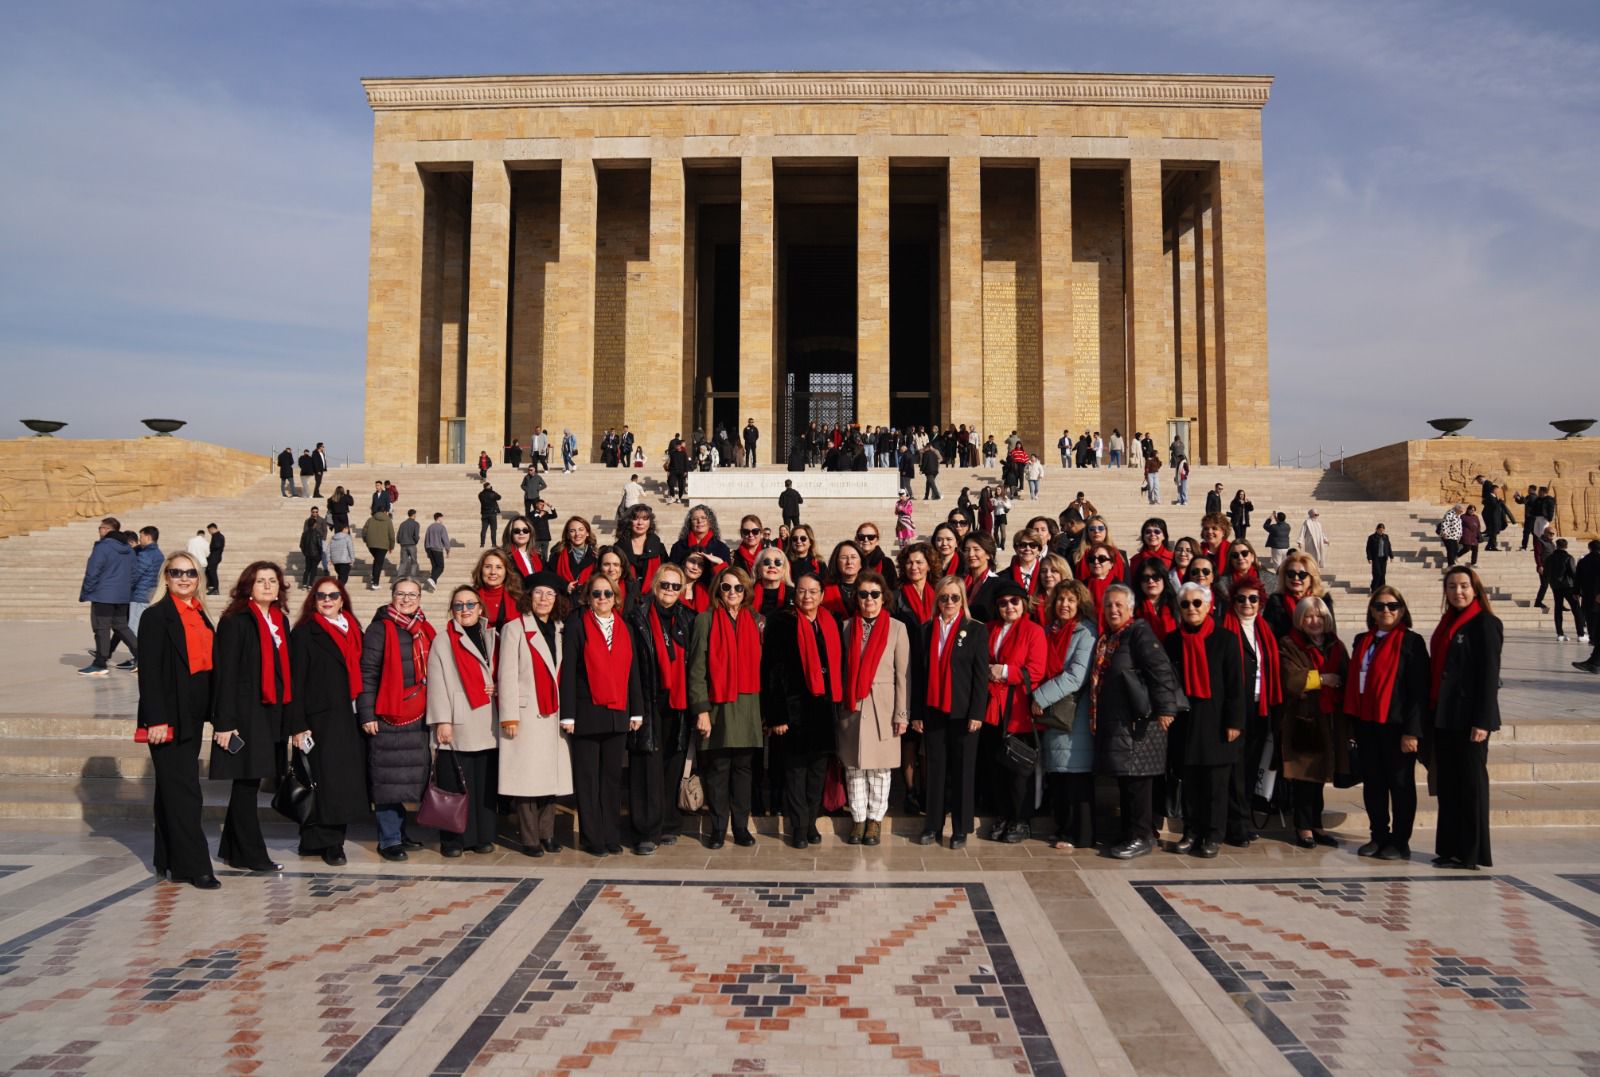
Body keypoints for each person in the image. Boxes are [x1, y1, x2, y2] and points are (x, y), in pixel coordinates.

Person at [136, 550, 219, 889]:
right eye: (176, 573)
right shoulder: (156, 617)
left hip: (193, 717)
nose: (184, 578)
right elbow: (150, 675)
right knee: (186, 792)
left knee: (171, 789)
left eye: (190, 573)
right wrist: (155, 719)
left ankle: (166, 857)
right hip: (167, 719)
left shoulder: (201, 615)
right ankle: (195, 865)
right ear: (165, 577)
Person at [209, 561, 291, 872]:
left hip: (270, 713)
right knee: (246, 786)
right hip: (245, 715)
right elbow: (225, 674)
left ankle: (232, 848)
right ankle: (252, 854)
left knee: (249, 784)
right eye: (261, 581)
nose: (268, 586)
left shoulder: (279, 620)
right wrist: (225, 722)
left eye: (272, 580)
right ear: (249, 586)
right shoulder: (236, 620)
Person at [1090, 584, 1180, 859]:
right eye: (1109, 606)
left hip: (1140, 724)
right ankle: (1130, 833)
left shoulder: (1138, 632)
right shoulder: (1111, 637)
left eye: (1119, 605)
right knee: (1127, 782)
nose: (1113, 610)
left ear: (1130, 608)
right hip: (1121, 722)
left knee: (1138, 783)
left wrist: (1166, 709)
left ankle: (1141, 836)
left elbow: (1161, 669)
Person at [285, 576, 369, 866]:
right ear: (314, 600)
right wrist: (297, 725)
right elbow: (295, 683)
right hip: (320, 718)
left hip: (350, 715)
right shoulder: (306, 633)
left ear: (342, 598)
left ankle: (328, 839)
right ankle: (324, 843)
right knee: (321, 780)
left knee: (341, 782)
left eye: (333, 595)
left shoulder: (354, 629)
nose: (328, 600)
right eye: (321, 596)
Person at [1343, 586, 1428, 861]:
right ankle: (1378, 834)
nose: (1386, 611)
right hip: (1368, 724)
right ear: (1371, 611)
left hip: (1398, 726)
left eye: (1392, 606)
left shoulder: (1412, 642)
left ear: (1402, 610)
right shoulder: (1362, 640)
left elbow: (1419, 691)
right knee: (1374, 784)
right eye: (1379, 606)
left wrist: (1412, 731)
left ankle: (1400, 841)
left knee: (1401, 785)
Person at [1425, 566, 1500, 869]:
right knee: (1448, 784)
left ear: (1475, 589)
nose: (1458, 592)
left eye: (1464, 586)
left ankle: (1471, 852)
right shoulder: (1448, 623)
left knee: (1471, 786)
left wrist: (1482, 721)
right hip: (1444, 716)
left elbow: (1488, 676)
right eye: (1452, 587)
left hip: (1470, 719)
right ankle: (1449, 847)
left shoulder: (1485, 623)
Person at [1163, 581, 1246, 858]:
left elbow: (1236, 685)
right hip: (1186, 722)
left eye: (1197, 603)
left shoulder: (1225, 639)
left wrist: (1234, 722)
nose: (1191, 608)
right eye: (1185, 604)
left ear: (1209, 606)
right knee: (1190, 783)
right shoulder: (1172, 640)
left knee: (1216, 786)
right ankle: (1191, 831)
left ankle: (1213, 834)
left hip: (1216, 721)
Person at [688, 565, 765, 849]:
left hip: (748, 704)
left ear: (745, 591)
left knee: (743, 769)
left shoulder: (756, 620)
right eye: (726, 587)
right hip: (717, 705)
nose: (732, 592)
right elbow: (696, 670)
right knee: (718, 769)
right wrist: (702, 710)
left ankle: (741, 826)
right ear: (718, 589)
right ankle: (719, 827)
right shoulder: (705, 620)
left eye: (738, 587)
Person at [360, 577, 436, 862]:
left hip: (418, 715)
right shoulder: (380, 629)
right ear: (392, 596)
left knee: (407, 778)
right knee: (387, 779)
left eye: (412, 594)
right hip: (388, 715)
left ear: (420, 597)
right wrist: (366, 713)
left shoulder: (425, 629)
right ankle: (388, 839)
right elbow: (367, 673)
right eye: (400, 594)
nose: (406, 599)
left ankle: (400, 832)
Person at [497, 572, 572, 856]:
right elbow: (507, 674)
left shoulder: (561, 628)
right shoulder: (515, 628)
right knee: (527, 780)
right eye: (539, 593)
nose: (544, 599)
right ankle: (530, 838)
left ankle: (547, 833)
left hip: (553, 713)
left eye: (550, 594)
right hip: (527, 714)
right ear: (530, 597)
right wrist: (509, 716)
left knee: (549, 779)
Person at [764, 572, 842, 848]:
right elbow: (771, 671)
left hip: (823, 709)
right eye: (801, 591)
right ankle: (798, 826)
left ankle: (811, 822)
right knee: (796, 772)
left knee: (817, 772)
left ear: (822, 595)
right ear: (794, 594)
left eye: (813, 591)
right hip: (793, 710)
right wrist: (777, 715)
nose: (807, 596)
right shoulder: (782, 621)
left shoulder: (830, 622)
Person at [425, 585, 501, 856]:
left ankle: (482, 836)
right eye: (459, 605)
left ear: (480, 608)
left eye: (470, 604)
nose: (465, 610)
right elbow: (436, 682)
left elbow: (503, 672)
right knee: (455, 784)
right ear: (452, 610)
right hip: (457, 720)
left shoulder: (493, 635)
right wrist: (442, 720)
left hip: (487, 721)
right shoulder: (443, 640)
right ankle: (453, 840)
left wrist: (497, 685)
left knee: (483, 783)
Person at [625, 562, 696, 854]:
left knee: (672, 762)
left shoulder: (688, 618)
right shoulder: (637, 616)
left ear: (682, 590)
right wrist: (635, 707)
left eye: (675, 586)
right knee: (646, 765)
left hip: (678, 701)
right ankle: (645, 830)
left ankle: (668, 823)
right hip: (648, 697)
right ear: (655, 586)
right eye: (664, 585)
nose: (669, 590)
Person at [836, 571, 910, 846]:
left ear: (884, 598)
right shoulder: (845, 627)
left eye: (874, 594)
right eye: (863, 594)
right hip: (853, 705)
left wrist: (902, 713)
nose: (869, 599)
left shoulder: (897, 628)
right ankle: (858, 819)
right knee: (854, 767)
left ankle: (875, 820)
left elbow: (903, 674)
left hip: (883, 705)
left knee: (880, 770)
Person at [979, 580, 1047, 843]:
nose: (1009, 606)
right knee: (997, 767)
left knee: (1019, 769)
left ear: (1024, 603)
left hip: (1018, 708)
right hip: (992, 707)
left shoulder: (1033, 631)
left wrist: (1004, 672)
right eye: (1003, 603)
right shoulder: (989, 628)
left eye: (1014, 601)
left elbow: (1037, 670)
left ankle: (1021, 819)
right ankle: (1003, 814)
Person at [1278, 596, 1348, 849]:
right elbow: (1291, 679)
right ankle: (1303, 826)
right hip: (1303, 719)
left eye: (1319, 616)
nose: (1314, 621)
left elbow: (1346, 675)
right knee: (1304, 777)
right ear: (1300, 619)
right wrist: (1323, 679)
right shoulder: (1289, 644)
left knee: (1319, 779)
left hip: (1328, 719)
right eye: (1308, 616)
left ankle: (1317, 825)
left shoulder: (1336, 645)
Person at [1032, 580, 1096, 851]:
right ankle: (1063, 828)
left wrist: (1039, 696)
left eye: (1070, 599)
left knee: (1075, 774)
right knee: (1059, 774)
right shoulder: (1049, 630)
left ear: (1080, 603)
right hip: (1053, 714)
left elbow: (1075, 676)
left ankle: (1079, 834)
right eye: (1060, 599)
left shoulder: (1086, 632)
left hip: (1075, 713)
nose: (1065, 605)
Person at [1220, 574, 1281, 847]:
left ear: (1261, 602)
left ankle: (1243, 821)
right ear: (1233, 601)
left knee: (1249, 768)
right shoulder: (1224, 630)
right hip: (1236, 710)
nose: (1247, 603)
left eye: (1253, 599)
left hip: (1260, 707)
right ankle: (1235, 825)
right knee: (1235, 770)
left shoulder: (1264, 631)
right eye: (1241, 598)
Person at [78, 516, 138, 676]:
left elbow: (92, 572)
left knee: (102, 628)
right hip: (121, 596)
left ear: (111, 530)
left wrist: (86, 592)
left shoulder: (102, 547)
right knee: (121, 627)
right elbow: (134, 574)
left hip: (103, 595)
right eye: (100, 528)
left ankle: (100, 663)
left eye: (104, 528)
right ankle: (142, 656)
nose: (101, 530)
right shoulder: (129, 549)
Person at [1546, 537, 1588, 642]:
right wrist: (1579, 588)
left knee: (1558, 610)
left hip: (1556, 587)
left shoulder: (1549, 558)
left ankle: (1560, 634)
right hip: (1568, 587)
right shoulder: (1568, 557)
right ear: (1566, 546)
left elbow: (1547, 572)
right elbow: (1574, 573)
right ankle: (1581, 634)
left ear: (1556, 545)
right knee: (1576, 610)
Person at [129, 527, 163, 635]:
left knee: (133, 629)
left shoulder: (145, 554)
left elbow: (135, 575)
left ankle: (139, 652)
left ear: (148, 537)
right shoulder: (159, 554)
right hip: (151, 595)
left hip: (140, 596)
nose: (140, 540)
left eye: (141, 537)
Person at [502, 515, 544, 590]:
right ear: (510, 534)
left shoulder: (538, 555)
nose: (521, 533)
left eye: (525, 530)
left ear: (530, 533)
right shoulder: (503, 556)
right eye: (516, 531)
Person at [856, 522, 899, 589]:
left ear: (877, 541)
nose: (866, 540)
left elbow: (893, 589)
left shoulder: (886, 563)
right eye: (861, 537)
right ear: (857, 539)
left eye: (871, 537)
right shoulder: (851, 562)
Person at [361, 508, 395, 590]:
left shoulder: (370, 519)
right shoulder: (388, 520)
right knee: (378, 563)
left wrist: (367, 541)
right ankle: (375, 582)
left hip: (371, 545)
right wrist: (391, 546)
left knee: (377, 561)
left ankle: (374, 579)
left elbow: (364, 532)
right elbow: (391, 535)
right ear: (385, 512)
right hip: (383, 545)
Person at [395, 508, 421, 583]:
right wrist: (416, 540)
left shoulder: (402, 524)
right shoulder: (416, 524)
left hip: (403, 545)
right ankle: (412, 576)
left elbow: (398, 536)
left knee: (403, 562)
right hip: (412, 544)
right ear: (414, 515)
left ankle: (399, 577)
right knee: (414, 561)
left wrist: (400, 541)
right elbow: (416, 535)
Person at [1366, 523, 1393, 591]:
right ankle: (1374, 589)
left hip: (1383, 558)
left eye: (1383, 530)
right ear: (1377, 529)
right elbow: (1368, 548)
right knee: (1377, 574)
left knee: (1383, 574)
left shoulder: (1386, 537)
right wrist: (1369, 558)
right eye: (1380, 530)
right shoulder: (1372, 537)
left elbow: (1388, 546)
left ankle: (1382, 590)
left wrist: (1391, 556)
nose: (1382, 532)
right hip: (1376, 558)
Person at [478, 481, 502, 547]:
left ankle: (482, 544)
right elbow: (499, 497)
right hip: (492, 513)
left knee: (483, 529)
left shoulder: (480, 494)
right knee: (493, 529)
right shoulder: (492, 493)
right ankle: (493, 544)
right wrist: (492, 490)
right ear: (488, 486)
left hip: (484, 513)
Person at [205, 523, 225, 595]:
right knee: (210, 572)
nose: (209, 532)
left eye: (209, 530)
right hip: (214, 557)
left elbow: (217, 545)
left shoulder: (218, 536)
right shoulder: (216, 536)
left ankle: (215, 589)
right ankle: (212, 588)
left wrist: (210, 549)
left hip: (214, 557)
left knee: (212, 572)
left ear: (212, 529)